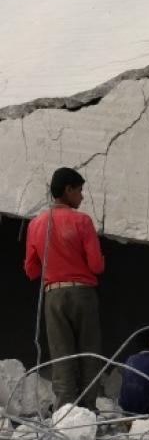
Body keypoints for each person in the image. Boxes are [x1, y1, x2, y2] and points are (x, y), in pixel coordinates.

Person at [24, 167, 104, 410]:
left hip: (53, 296)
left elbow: (31, 271)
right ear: (68, 190)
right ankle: (87, 411)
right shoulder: (82, 221)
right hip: (82, 294)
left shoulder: (36, 224)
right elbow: (97, 266)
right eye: (79, 190)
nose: (81, 196)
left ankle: (65, 412)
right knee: (88, 354)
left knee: (62, 355)